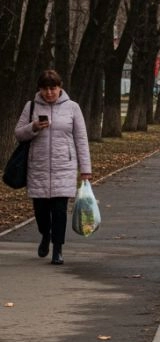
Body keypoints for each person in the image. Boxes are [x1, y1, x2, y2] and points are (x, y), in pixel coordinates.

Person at [13, 70, 92, 264]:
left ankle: (58, 249)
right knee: (41, 212)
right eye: (45, 89)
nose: (49, 93)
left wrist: (85, 170)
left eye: (53, 88)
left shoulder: (72, 108)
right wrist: (33, 127)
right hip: (37, 167)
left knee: (59, 211)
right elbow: (18, 134)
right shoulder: (31, 106)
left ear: (60, 87)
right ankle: (45, 235)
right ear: (39, 89)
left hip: (64, 167)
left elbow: (81, 139)